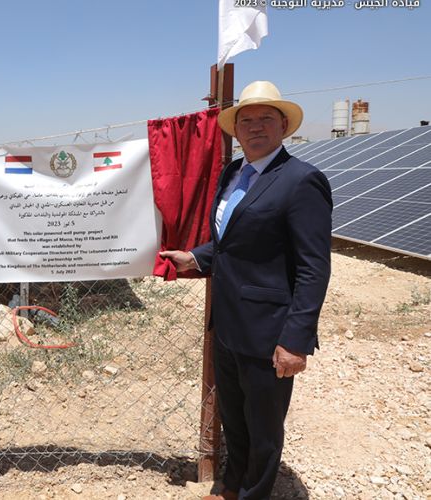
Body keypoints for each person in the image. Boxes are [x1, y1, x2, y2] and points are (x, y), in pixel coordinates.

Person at [160, 81, 332, 500]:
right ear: (236, 130)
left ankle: (255, 492)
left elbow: (313, 268)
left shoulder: (302, 181)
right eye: (247, 120)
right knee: (234, 417)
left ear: (284, 126)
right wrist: (195, 257)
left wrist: (296, 340)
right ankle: (232, 485)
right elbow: (228, 242)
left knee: (264, 426)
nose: (256, 127)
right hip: (228, 324)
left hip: (269, 330)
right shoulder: (233, 173)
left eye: (266, 118)